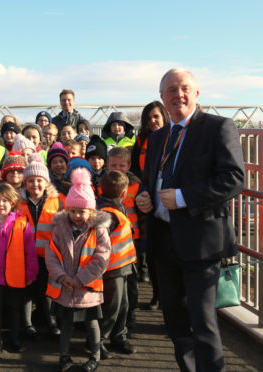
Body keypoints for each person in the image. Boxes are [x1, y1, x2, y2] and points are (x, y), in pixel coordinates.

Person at [136, 68, 244, 372]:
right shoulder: (158, 137)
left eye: (184, 88)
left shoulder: (218, 127)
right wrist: (144, 197)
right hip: (164, 241)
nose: (177, 95)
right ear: (161, 97)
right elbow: (148, 179)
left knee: (204, 323)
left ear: (196, 93)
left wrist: (182, 197)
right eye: (170, 90)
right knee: (175, 321)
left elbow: (234, 179)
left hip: (201, 243)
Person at [45, 168, 111, 372]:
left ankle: (95, 355)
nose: (76, 215)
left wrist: (80, 279)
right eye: (72, 211)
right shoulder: (60, 228)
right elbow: (51, 255)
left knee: (92, 323)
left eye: (81, 211)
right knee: (67, 324)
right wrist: (62, 276)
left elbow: (102, 258)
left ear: (91, 211)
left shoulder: (98, 230)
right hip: (65, 287)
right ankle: (64, 356)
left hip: (88, 288)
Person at [0, 183, 38, 356]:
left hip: (15, 276)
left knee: (13, 309)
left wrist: (31, 272)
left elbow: (30, 251)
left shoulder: (21, 223)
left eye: (5, 201)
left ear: (13, 203)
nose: (0, 204)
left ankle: (14, 338)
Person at [130, 101, 170, 305]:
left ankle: (168, 296)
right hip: (147, 199)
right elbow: (135, 168)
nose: (152, 121)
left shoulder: (175, 137)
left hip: (170, 200)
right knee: (152, 251)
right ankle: (156, 295)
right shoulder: (142, 139)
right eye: (148, 118)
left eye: (156, 117)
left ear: (164, 116)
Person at [20, 159, 64, 339]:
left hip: (49, 255)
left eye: (39, 180)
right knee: (27, 290)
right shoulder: (18, 202)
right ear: (25, 183)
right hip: (25, 255)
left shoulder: (58, 202)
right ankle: (27, 324)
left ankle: (51, 322)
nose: (35, 184)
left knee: (48, 290)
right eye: (30, 180)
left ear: (46, 182)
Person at [96, 170, 137, 360]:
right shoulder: (109, 213)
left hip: (122, 266)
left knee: (123, 305)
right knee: (112, 307)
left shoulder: (114, 208)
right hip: (112, 268)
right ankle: (99, 341)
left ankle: (118, 336)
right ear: (123, 193)